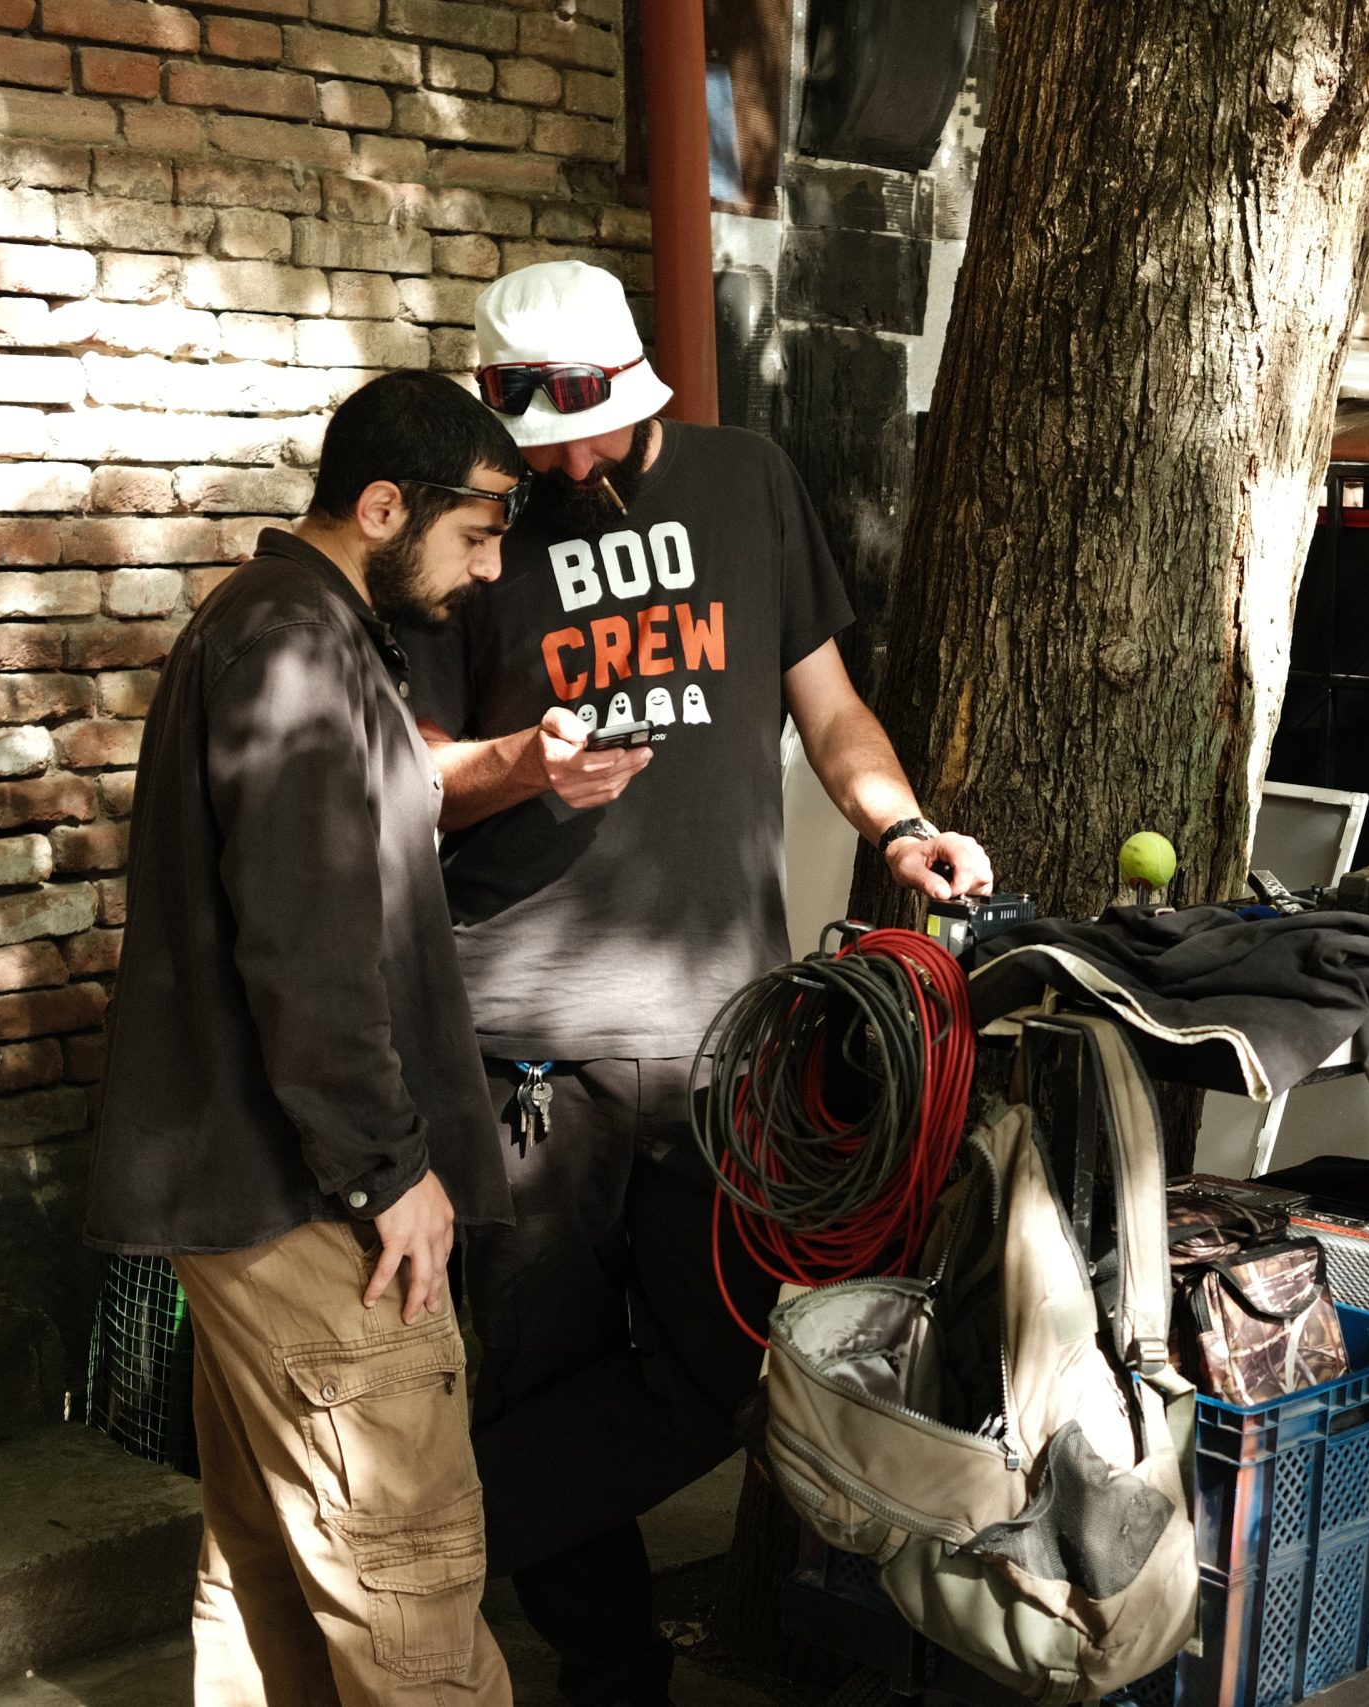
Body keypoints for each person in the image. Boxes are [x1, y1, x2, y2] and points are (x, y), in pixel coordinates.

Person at [392, 259, 996, 1707]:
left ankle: (420, 1551)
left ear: (637, 382)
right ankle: (608, 1680)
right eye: (538, 449)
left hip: (726, 1030)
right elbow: (406, 775)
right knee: (539, 1371)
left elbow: (831, 709)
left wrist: (899, 827)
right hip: (525, 1042)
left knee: (737, 1361)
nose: (566, 471)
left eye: (586, 438)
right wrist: (521, 765)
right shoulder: (473, 523)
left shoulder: (748, 480)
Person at [85, 370, 528, 1705]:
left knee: (272, 1570)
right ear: (383, 506)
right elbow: (307, 944)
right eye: (477, 533)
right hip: (304, 1197)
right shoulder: (290, 641)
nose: (491, 570)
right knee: (409, 1588)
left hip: (261, 1185)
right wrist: (388, 1171)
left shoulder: (299, 628)